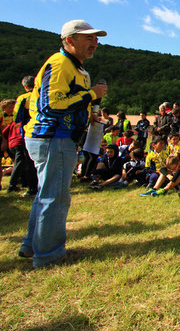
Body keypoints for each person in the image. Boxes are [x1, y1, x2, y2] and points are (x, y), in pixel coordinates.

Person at [19, 20, 108, 267]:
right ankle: (49, 254)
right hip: (54, 138)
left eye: (96, 39)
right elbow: (52, 104)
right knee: (55, 197)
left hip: (55, 138)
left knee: (45, 195)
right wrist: (92, 95)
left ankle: (31, 245)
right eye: (89, 38)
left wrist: (87, 112)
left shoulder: (75, 67)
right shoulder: (60, 64)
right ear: (70, 40)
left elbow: (65, 101)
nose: (95, 43)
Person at [7, 76, 38, 196]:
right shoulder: (43, 94)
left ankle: (32, 188)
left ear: (25, 86)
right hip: (45, 130)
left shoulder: (23, 98)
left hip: (28, 131)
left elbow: (16, 118)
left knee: (29, 160)